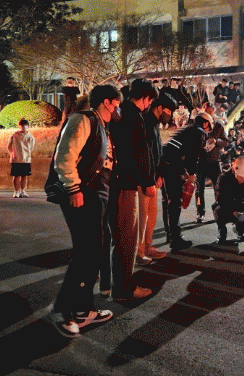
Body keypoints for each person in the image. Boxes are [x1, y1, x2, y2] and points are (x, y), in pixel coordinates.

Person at [48, 84, 121, 338]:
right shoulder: (84, 119)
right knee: (85, 253)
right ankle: (63, 309)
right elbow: (64, 156)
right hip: (83, 193)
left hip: (97, 196)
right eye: (116, 103)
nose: (118, 108)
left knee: (95, 253)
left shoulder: (102, 126)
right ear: (107, 102)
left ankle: (83, 309)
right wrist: (73, 188)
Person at [108, 78, 158, 301]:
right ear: (146, 98)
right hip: (125, 184)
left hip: (117, 181)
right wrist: (147, 181)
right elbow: (138, 152)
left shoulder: (120, 113)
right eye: (150, 101)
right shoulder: (133, 116)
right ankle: (123, 288)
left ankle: (118, 285)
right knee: (127, 237)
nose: (149, 105)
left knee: (121, 237)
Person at [159, 111, 214, 251]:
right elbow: (193, 156)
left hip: (164, 162)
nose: (208, 131)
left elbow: (180, 150)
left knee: (167, 201)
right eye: (209, 127)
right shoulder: (199, 132)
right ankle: (175, 239)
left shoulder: (187, 128)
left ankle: (170, 234)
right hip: (172, 165)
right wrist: (192, 174)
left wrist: (183, 170)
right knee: (175, 202)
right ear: (205, 123)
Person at [138, 93, 178, 265]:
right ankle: (139, 252)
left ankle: (147, 247)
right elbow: (144, 154)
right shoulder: (145, 122)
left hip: (153, 177)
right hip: (144, 179)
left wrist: (159, 174)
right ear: (159, 107)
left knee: (151, 215)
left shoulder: (155, 124)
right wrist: (148, 179)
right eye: (168, 110)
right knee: (142, 217)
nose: (170, 115)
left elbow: (157, 152)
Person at [214, 156, 244, 244]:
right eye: (241, 177)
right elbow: (221, 199)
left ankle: (240, 230)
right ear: (234, 170)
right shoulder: (223, 178)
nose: (243, 179)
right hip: (227, 206)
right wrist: (235, 213)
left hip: (241, 204)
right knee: (217, 209)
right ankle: (222, 232)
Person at [7, 118, 36, 198]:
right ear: (19, 126)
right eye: (22, 125)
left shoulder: (30, 136)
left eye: (25, 125)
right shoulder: (14, 135)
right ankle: (16, 191)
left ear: (28, 126)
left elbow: (32, 147)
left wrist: (27, 154)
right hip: (16, 159)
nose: (23, 127)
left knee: (24, 176)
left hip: (26, 159)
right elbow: (9, 146)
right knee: (16, 176)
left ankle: (23, 191)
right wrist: (13, 154)